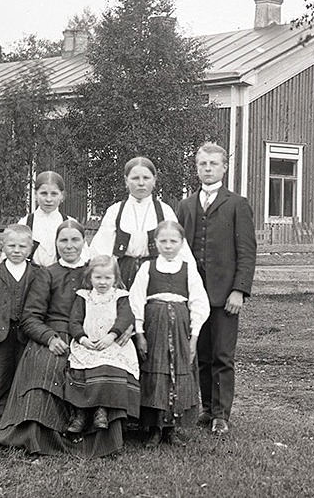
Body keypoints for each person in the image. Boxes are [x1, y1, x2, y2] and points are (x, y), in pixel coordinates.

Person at [0, 220, 137, 457]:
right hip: (55, 333)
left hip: (93, 335)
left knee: (104, 366)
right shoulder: (47, 274)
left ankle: (98, 435)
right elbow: (30, 317)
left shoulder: (97, 271)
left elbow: (120, 301)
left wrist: (124, 328)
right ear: (56, 243)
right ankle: (39, 433)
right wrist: (49, 338)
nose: (69, 246)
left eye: (75, 240)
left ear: (84, 241)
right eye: (63, 240)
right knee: (46, 367)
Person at [176, 143, 256, 436]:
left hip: (225, 296)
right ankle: (207, 407)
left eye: (213, 164)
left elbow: (246, 252)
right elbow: (179, 250)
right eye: (202, 164)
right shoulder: (185, 206)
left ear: (224, 168)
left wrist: (239, 290)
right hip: (194, 297)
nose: (207, 168)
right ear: (196, 168)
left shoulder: (237, 204)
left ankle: (221, 415)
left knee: (223, 354)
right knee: (202, 354)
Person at [128, 220, 209, 448]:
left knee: (178, 370)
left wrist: (194, 336)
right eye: (163, 241)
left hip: (181, 327)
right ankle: (154, 429)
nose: (168, 246)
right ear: (155, 243)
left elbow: (199, 303)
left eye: (173, 241)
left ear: (181, 243)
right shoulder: (148, 268)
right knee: (156, 371)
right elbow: (136, 301)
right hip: (155, 325)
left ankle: (171, 429)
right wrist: (140, 333)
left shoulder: (187, 268)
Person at [63, 255, 140, 442]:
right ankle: (81, 415)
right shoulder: (84, 296)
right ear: (90, 278)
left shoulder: (120, 296)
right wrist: (82, 339)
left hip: (112, 344)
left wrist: (112, 335)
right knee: (82, 369)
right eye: (98, 277)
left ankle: (102, 411)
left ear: (115, 278)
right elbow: (74, 321)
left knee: (108, 366)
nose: (103, 282)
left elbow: (125, 317)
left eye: (108, 278)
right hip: (88, 344)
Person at [89, 157, 191, 289]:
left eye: (146, 178)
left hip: (156, 275)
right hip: (122, 275)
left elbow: (180, 249)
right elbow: (101, 250)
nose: (141, 183)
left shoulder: (165, 211)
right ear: (126, 181)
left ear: (154, 180)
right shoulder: (115, 211)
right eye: (135, 178)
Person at [0, 224, 38, 422]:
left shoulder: (37, 274)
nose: (16, 251)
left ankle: (21, 413)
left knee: (25, 373)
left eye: (22, 246)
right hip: (1, 335)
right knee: (2, 374)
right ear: (3, 247)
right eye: (11, 246)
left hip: (27, 334)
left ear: (30, 249)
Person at [6, 171, 86, 267]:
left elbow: (83, 258)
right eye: (43, 193)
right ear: (35, 194)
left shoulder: (70, 224)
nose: (48, 199)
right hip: (32, 278)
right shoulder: (25, 223)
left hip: (61, 277)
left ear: (62, 195)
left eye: (54, 194)